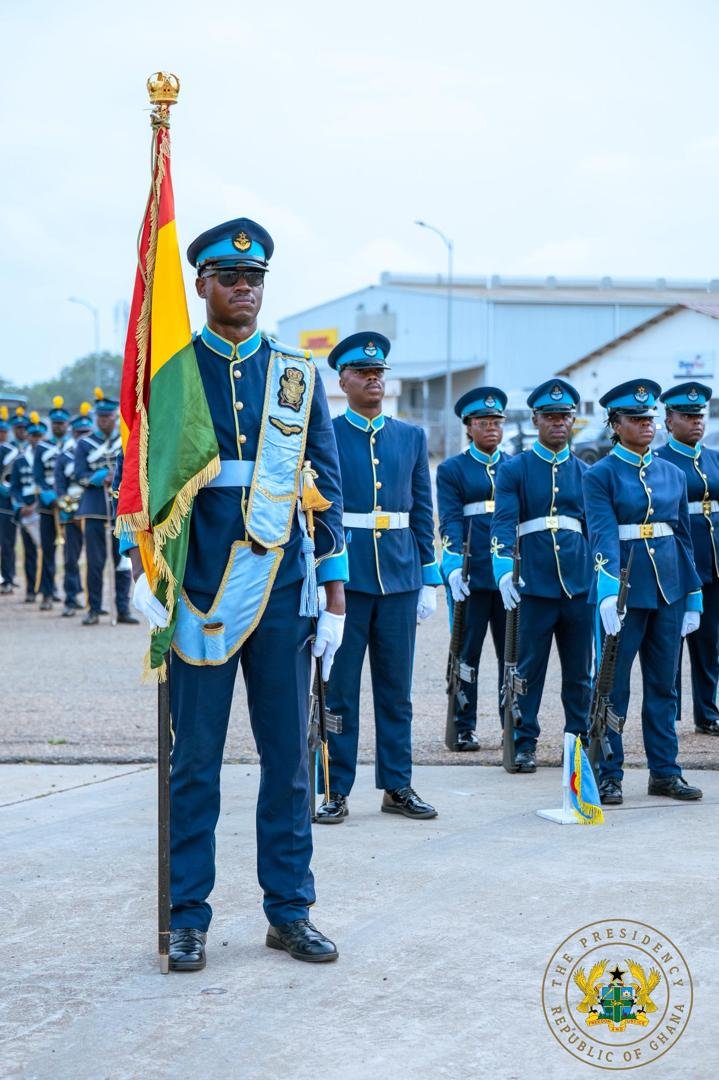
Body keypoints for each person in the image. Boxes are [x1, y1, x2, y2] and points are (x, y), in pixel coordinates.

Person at [124, 217, 348, 971]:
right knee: (195, 764)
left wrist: (336, 592)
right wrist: (138, 571)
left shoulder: (295, 372)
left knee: (289, 761)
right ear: (202, 285)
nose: (243, 288)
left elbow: (325, 480)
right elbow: (144, 482)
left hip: (282, 585)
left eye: (253, 279)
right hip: (197, 590)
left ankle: (289, 912)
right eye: (229, 278)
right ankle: (186, 916)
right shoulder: (176, 372)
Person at [315, 331, 441, 824]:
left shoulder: (410, 437)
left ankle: (398, 784)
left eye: (379, 372)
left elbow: (423, 509)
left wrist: (428, 576)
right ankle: (335, 787)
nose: (373, 378)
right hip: (348, 581)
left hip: (400, 577)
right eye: (363, 372)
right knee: (339, 691)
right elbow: (321, 512)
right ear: (342, 380)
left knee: (396, 690)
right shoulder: (327, 434)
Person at [582, 379, 703, 804]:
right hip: (626, 595)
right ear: (615, 425)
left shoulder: (671, 472)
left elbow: (684, 538)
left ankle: (665, 772)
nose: (646, 425)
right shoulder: (600, 474)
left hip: (668, 590)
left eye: (650, 418)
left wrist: (694, 596)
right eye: (636, 419)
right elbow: (601, 535)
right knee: (613, 686)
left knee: (664, 687)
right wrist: (607, 592)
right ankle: (609, 772)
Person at [491, 378, 592, 772]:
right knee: (527, 671)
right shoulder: (515, 469)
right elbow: (502, 523)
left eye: (564, 416)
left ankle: (578, 739)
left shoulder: (587, 471)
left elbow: (596, 528)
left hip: (579, 583)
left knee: (580, 673)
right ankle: (522, 741)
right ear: (534, 419)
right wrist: (503, 570)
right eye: (550, 416)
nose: (558, 423)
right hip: (532, 583)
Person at [436, 387, 508, 750]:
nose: (492, 428)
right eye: (484, 422)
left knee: (512, 655)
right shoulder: (453, 469)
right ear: (469, 427)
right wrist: (451, 567)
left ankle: (512, 722)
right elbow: (448, 521)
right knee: (466, 655)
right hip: (473, 573)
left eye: (497, 422)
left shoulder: (514, 466)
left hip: (509, 576)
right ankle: (463, 725)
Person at [74, 389, 136, 625]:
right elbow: (79, 475)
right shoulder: (85, 444)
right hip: (94, 509)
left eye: (108, 417)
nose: (104, 421)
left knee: (122, 561)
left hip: (120, 510)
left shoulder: (125, 439)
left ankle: (123, 609)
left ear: (115, 418)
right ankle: (94, 609)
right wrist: (100, 476)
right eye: (100, 418)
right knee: (95, 563)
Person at [33, 396, 72, 610]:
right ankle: (47, 592)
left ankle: (71, 595)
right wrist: (50, 497)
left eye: (62, 423)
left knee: (71, 553)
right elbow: (37, 476)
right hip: (48, 506)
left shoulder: (74, 445)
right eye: (55, 423)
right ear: (51, 424)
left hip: (69, 506)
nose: (58, 426)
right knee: (48, 550)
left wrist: (65, 498)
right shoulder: (41, 447)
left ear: (67, 424)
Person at [54, 402, 93, 616]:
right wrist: (63, 504)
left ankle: (92, 602)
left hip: (91, 510)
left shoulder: (94, 453)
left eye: (86, 432)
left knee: (95, 560)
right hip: (70, 512)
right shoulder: (65, 456)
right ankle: (71, 599)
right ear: (73, 433)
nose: (82, 436)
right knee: (71, 558)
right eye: (79, 432)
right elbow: (59, 485)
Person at [9, 411, 45, 602]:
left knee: (48, 552)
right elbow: (14, 488)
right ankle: (31, 590)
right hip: (26, 512)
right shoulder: (20, 460)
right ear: (28, 437)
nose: (36, 439)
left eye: (39, 436)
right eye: (33, 436)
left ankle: (49, 589)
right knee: (29, 552)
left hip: (45, 510)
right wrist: (21, 506)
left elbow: (51, 483)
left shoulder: (48, 456)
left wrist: (39, 503)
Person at [0, 406, 19, 593]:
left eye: (4, 431)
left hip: (5, 505)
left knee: (7, 544)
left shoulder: (10, 450)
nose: (2, 435)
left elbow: (12, 478)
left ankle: (7, 578)